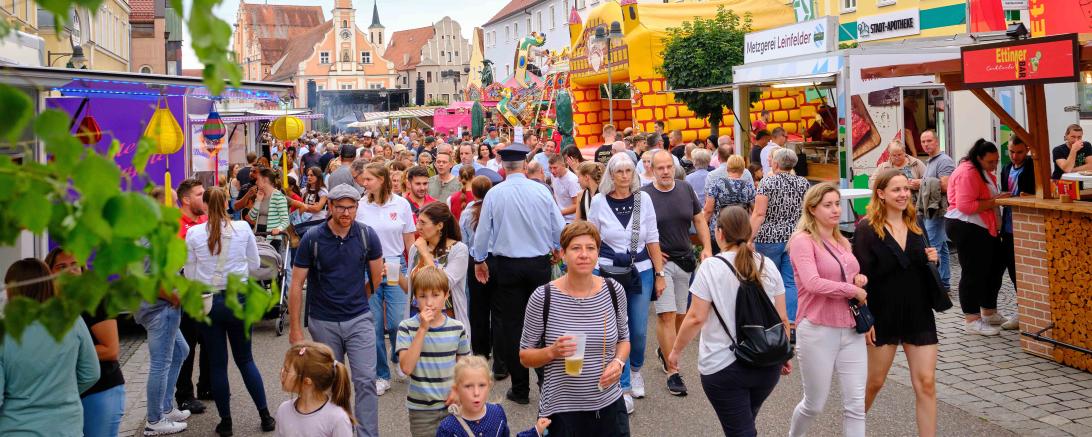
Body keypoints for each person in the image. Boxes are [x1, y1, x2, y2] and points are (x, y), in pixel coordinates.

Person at [667, 206, 790, 436]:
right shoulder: (767, 264)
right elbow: (782, 317)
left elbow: (695, 317)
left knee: (740, 429)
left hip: (723, 365)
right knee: (744, 422)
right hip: (766, 361)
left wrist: (675, 351)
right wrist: (783, 353)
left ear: (719, 233)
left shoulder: (711, 267)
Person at [471, 142, 565, 405]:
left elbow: (483, 234)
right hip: (538, 264)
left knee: (513, 327)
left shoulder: (495, 194)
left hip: (508, 265)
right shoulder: (541, 191)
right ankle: (547, 383)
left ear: (502, 165)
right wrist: (557, 248)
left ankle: (520, 387)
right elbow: (558, 226)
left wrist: (479, 260)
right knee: (544, 322)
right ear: (525, 165)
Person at [288, 184, 385, 437]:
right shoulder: (313, 238)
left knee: (365, 381)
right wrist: (296, 329)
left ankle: (366, 434)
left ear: (356, 208)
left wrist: (359, 299)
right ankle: (340, 431)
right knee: (332, 384)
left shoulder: (367, 235)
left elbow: (376, 276)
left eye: (350, 207)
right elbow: (297, 283)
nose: (345, 212)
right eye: (340, 206)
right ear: (329, 207)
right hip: (323, 321)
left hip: (359, 319)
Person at [519, 221, 631, 435]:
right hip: (561, 412)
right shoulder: (543, 297)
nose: (584, 254)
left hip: (609, 405)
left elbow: (624, 339)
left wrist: (618, 362)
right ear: (563, 254)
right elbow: (525, 356)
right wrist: (552, 351)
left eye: (590, 248)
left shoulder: (613, 290)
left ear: (598, 253)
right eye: (576, 248)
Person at [852, 170, 941, 437]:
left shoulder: (916, 224)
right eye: (896, 190)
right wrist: (864, 316)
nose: (904, 195)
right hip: (882, 313)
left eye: (906, 189)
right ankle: (851, 429)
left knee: (926, 383)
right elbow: (859, 279)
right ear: (881, 194)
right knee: (874, 382)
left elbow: (921, 263)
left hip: (918, 311)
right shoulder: (866, 229)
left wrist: (932, 259)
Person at [185, 187, 274, 436]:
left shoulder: (193, 234)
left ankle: (226, 422)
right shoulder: (243, 229)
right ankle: (265, 415)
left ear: (204, 204)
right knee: (245, 360)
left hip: (209, 302)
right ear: (227, 203)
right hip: (239, 298)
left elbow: (191, 275)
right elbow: (255, 264)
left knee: (217, 364)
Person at [787, 183, 868, 437]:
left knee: (856, 406)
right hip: (818, 328)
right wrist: (851, 290)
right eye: (828, 205)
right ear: (812, 208)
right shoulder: (803, 241)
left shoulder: (842, 239)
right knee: (814, 404)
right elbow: (812, 283)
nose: (835, 210)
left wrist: (859, 280)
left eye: (836, 204)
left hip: (851, 329)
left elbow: (849, 274)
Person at [586, 153, 665, 412]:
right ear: (610, 174)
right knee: (615, 328)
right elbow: (591, 237)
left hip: (640, 270)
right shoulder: (598, 201)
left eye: (628, 171)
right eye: (619, 171)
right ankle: (623, 386)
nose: (624, 176)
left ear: (635, 173)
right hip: (606, 271)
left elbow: (652, 237)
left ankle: (636, 368)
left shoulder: (645, 200)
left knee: (639, 329)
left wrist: (660, 274)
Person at [0, 259, 100, 436]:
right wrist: (61, 395)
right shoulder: (71, 320)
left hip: (17, 429)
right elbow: (91, 373)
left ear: (11, 290)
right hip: (66, 427)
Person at [641, 150, 711, 397]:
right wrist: (653, 255)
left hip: (686, 260)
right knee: (667, 315)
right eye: (659, 167)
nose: (665, 171)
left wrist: (707, 249)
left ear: (674, 167)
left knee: (681, 315)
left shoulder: (685, 189)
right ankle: (673, 372)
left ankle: (665, 349)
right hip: (661, 265)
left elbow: (700, 219)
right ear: (651, 169)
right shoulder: (644, 195)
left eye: (668, 167)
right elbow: (637, 232)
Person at [44, 249, 126, 437]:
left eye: (75, 266)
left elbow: (111, 350)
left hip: (100, 391)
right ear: (49, 272)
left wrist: (62, 351)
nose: (70, 271)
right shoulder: (50, 304)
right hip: (67, 394)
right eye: (61, 267)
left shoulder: (94, 299)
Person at [355, 162, 416, 395]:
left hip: (394, 264)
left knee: (397, 322)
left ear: (381, 180)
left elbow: (409, 240)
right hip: (367, 266)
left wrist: (412, 268)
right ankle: (381, 374)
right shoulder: (360, 206)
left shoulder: (401, 204)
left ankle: (398, 355)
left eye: (368, 179)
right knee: (373, 324)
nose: (364, 182)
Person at [396, 266, 472, 437]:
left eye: (436, 295)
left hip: (453, 406)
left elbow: (465, 368)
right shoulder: (406, 328)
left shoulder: (457, 328)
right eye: (422, 296)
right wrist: (422, 329)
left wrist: (457, 390)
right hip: (421, 410)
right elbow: (406, 368)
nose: (429, 302)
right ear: (415, 298)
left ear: (446, 295)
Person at [946, 139, 1011, 335]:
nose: (995, 165)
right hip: (968, 226)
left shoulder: (979, 170)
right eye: (991, 162)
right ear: (979, 158)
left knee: (994, 267)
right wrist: (995, 201)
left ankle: (989, 311)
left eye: (996, 161)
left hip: (981, 226)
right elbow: (966, 206)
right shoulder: (968, 173)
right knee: (973, 272)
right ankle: (972, 319)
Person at [750, 148, 810, 322]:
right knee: (790, 281)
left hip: (769, 238)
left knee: (767, 280)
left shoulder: (767, 183)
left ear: (775, 163)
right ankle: (790, 322)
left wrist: (748, 237)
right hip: (795, 237)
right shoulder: (803, 183)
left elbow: (759, 214)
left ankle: (769, 320)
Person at [435, 356, 551, 437]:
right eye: (468, 386)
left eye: (482, 385)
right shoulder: (448, 428)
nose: (476, 392)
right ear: (456, 389)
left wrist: (535, 431)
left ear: (489, 386)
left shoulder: (497, 413)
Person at [173, 178, 211, 416]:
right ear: (186, 200)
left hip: (208, 291)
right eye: (199, 194)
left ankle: (207, 386)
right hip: (187, 294)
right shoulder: (176, 226)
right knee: (187, 347)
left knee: (209, 341)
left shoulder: (206, 220)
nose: (204, 197)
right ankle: (184, 395)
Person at [409, 202, 471, 336]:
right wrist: (396, 275)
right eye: (418, 222)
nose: (418, 227)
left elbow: (444, 283)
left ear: (439, 226)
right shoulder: (415, 248)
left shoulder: (458, 250)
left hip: (446, 317)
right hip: (417, 314)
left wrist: (425, 254)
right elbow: (410, 289)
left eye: (423, 223)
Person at [276, 341, 354, 437]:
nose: (281, 372)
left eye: (287, 370)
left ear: (307, 381)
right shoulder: (283, 410)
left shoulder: (337, 419)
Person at [460, 176, 498, 360]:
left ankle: (481, 350)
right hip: (495, 258)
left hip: (474, 258)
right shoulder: (497, 209)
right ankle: (498, 348)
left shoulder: (467, 213)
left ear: (473, 192)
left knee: (478, 307)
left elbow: (464, 240)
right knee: (497, 306)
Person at [998, 138, 1034, 330]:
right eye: (1011, 151)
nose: (1014, 156)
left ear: (1027, 150)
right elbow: (1005, 191)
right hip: (1009, 226)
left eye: (1019, 152)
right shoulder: (1006, 168)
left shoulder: (1033, 166)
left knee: (1027, 268)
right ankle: (1021, 309)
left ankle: (1026, 310)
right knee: (1013, 270)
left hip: (1027, 225)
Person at [920, 129, 955, 292]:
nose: (926, 144)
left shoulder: (944, 161)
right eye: (923, 142)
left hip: (938, 210)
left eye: (929, 141)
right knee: (941, 246)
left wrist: (921, 184)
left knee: (932, 246)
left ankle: (934, 284)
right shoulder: (930, 161)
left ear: (936, 141)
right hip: (931, 210)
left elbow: (946, 186)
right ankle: (944, 282)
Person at [704, 155, 756, 253]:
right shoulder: (748, 186)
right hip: (741, 230)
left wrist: (702, 228)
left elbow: (708, 210)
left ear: (727, 168)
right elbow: (755, 210)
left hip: (720, 230)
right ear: (742, 169)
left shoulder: (716, 184)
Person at [549, 154, 582, 222]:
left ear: (563, 165)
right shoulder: (553, 176)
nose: (552, 171)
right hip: (560, 218)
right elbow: (556, 195)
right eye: (550, 168)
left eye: (555, 167)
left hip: (570, 220)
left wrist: (558, 213)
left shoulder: (572, 180)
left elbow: (577, 205)